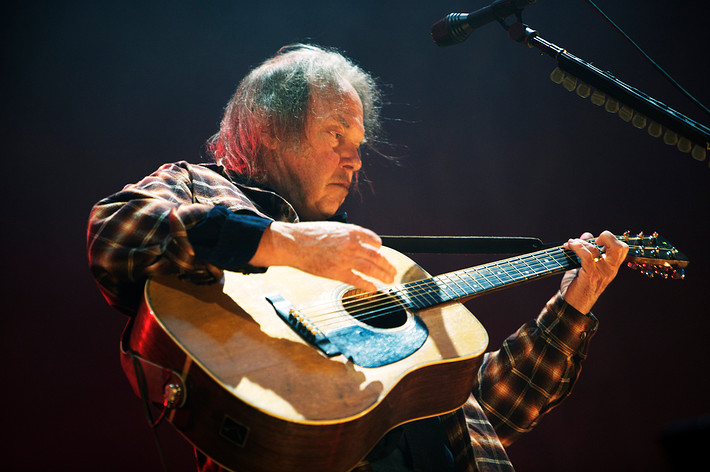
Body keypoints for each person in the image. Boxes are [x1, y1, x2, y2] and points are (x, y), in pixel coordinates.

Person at [87, 44, 628, 472]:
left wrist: (573, 308)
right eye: (336, 133)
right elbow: (114, 232)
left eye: (360, 142)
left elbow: (486, 413)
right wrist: (287, 244)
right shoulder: (201, 187)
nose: (355, 158)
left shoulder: (367, 268)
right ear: (271, 130)